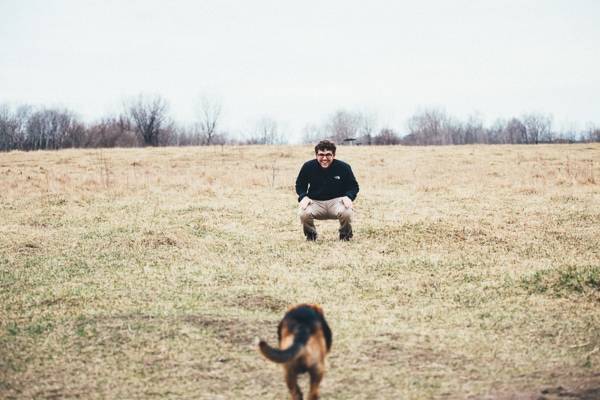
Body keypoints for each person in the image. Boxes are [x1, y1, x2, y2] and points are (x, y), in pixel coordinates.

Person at [295, 140, 359, 241]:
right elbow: (300, 185)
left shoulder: (344, 167)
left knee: (347, 212)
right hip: (315, 202)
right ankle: (311, 235)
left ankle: (345, 235)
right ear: (316, 155)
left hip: (337, 202)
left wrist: (348, 197)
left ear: (334, 155)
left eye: (328, 154)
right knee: (303, 212)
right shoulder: (308, 166)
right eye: (321, 155)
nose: (324, 158)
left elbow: (353, 186)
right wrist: (303, 196)